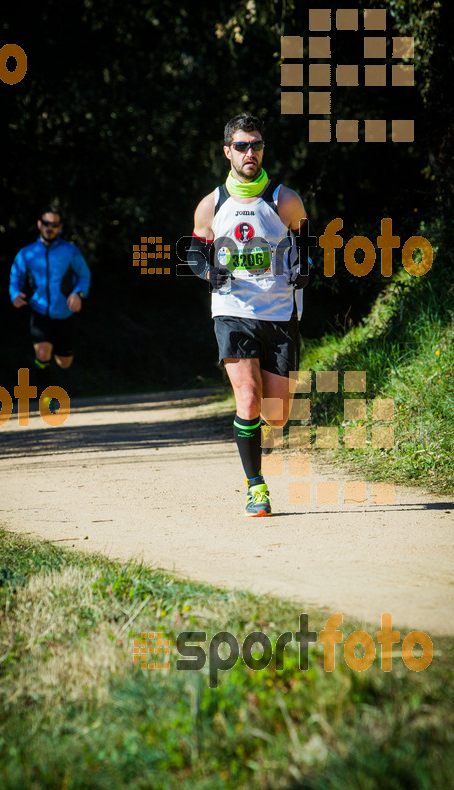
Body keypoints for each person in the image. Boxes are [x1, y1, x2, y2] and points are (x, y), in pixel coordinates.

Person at [188, 113, 312, 517]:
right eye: (241, 146)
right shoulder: (211, 205)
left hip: (279, 312)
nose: (250, 153)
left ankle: (259, 454)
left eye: (256, 145)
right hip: (232, 310)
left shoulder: (284, 199)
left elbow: (306, 242)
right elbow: (193, 252)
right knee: (248, 396)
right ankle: (255, 486)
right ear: (227, 152)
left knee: (276, 414)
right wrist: (209, 271)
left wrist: (304, 268)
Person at [9, 204, 91, 403]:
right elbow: (15, 278)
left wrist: (78, 294)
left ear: (60, 227)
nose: (49, 227)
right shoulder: (27, 253)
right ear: (39, 224)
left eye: (54, 224)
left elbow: (84, 276)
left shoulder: (70, 251)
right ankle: (48, 396)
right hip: (39, 310)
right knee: (43, 351)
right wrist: (15, 294)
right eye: (46, 223)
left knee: (64, 362)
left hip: (63, 313)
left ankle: (63, 375)